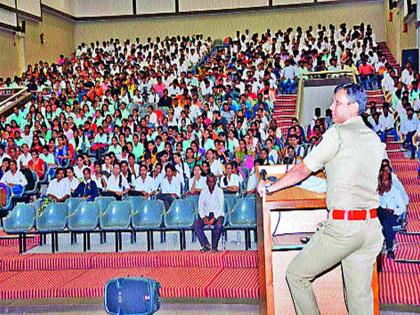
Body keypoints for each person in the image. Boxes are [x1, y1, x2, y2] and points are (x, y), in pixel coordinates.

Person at [258, 83, 385, 315]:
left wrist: (271, 188)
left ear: (354, 107)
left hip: (343, 228)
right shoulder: (374, 138)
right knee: (359, 302)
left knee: (296, 275)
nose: (331, 108)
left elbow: (302, 170)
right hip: (371, 229)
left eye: (337, 103)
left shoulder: (337, 133)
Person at [377, 166, 408, 259]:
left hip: (393, 216)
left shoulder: (395, 192)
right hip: (379, 215)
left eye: (386, 180)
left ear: (390, 181)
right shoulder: (377, 192)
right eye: (382, 180)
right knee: (381, 211)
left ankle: (389, 247)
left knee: (386, 218)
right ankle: (389, 248)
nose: (384, 182)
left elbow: (403, 208)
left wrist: (394, 210)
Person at [194, 173, 225, 252]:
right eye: (209, 182)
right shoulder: (203, 191)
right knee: (197, 225)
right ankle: (206, 245)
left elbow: (220, 207)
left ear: (215, 181)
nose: (211, 184)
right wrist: (204, 218)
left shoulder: (219, 191)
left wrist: (214, 219)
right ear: (207, 182)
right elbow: (200, 206)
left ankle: (214, 247)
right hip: (206, 214)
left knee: (218, 225)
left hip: (217, 215)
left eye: (212, 182)